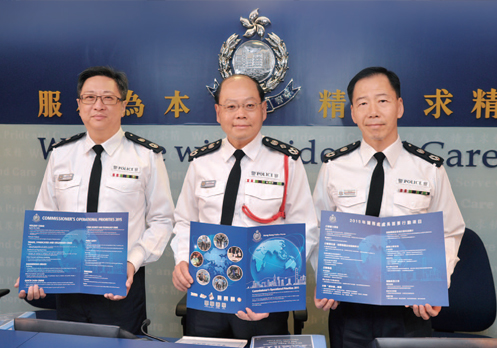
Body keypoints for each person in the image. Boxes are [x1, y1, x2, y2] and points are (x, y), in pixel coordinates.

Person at [15, 66, 175, 334]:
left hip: (120, 285)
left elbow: (162, 220)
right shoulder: (60, 155)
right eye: (89, 98)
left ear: (123, 106)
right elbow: (45, 218)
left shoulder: (146, 156)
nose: (98, 105)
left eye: (108, 98)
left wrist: (132, 261)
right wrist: (36, 269)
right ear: (79, 105)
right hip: (67, 287)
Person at [312, 67, 465, 348]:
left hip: (409, 308)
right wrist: (328, 277)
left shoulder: (428, 168)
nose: (373, 111)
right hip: (350, 307)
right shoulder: (334, 167)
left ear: (399, 106)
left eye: (382, 100)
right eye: (362, 103)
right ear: (353, 112)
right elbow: (317, 229)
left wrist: (434, 286)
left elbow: (450, 232)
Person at [170, 74, 318, 340]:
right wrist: (182, 259)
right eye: (231, 106)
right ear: (218, 112)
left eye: (249, 106)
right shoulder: (201, 162)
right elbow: (184, 221)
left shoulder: (287, 162)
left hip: (260, 298)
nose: (240, 114)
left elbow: (305, 229)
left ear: (263, 110)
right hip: (206, 293)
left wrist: (272, 294)